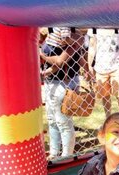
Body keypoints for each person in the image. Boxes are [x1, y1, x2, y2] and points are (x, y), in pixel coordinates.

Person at [40, 27, 85, 161]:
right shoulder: (51, 35)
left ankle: (67, 155)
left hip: (63, 83)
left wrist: (42, 56)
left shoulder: (75, 36)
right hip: (51, 83)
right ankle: (54, 152)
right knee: (52, 120)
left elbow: (60, 61)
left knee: (63, 121)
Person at [87, 29, 119, 117]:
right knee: (105, 95)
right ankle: (108, 119)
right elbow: (92, 45)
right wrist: (89, 65)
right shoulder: (94, 23)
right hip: (100, 66)